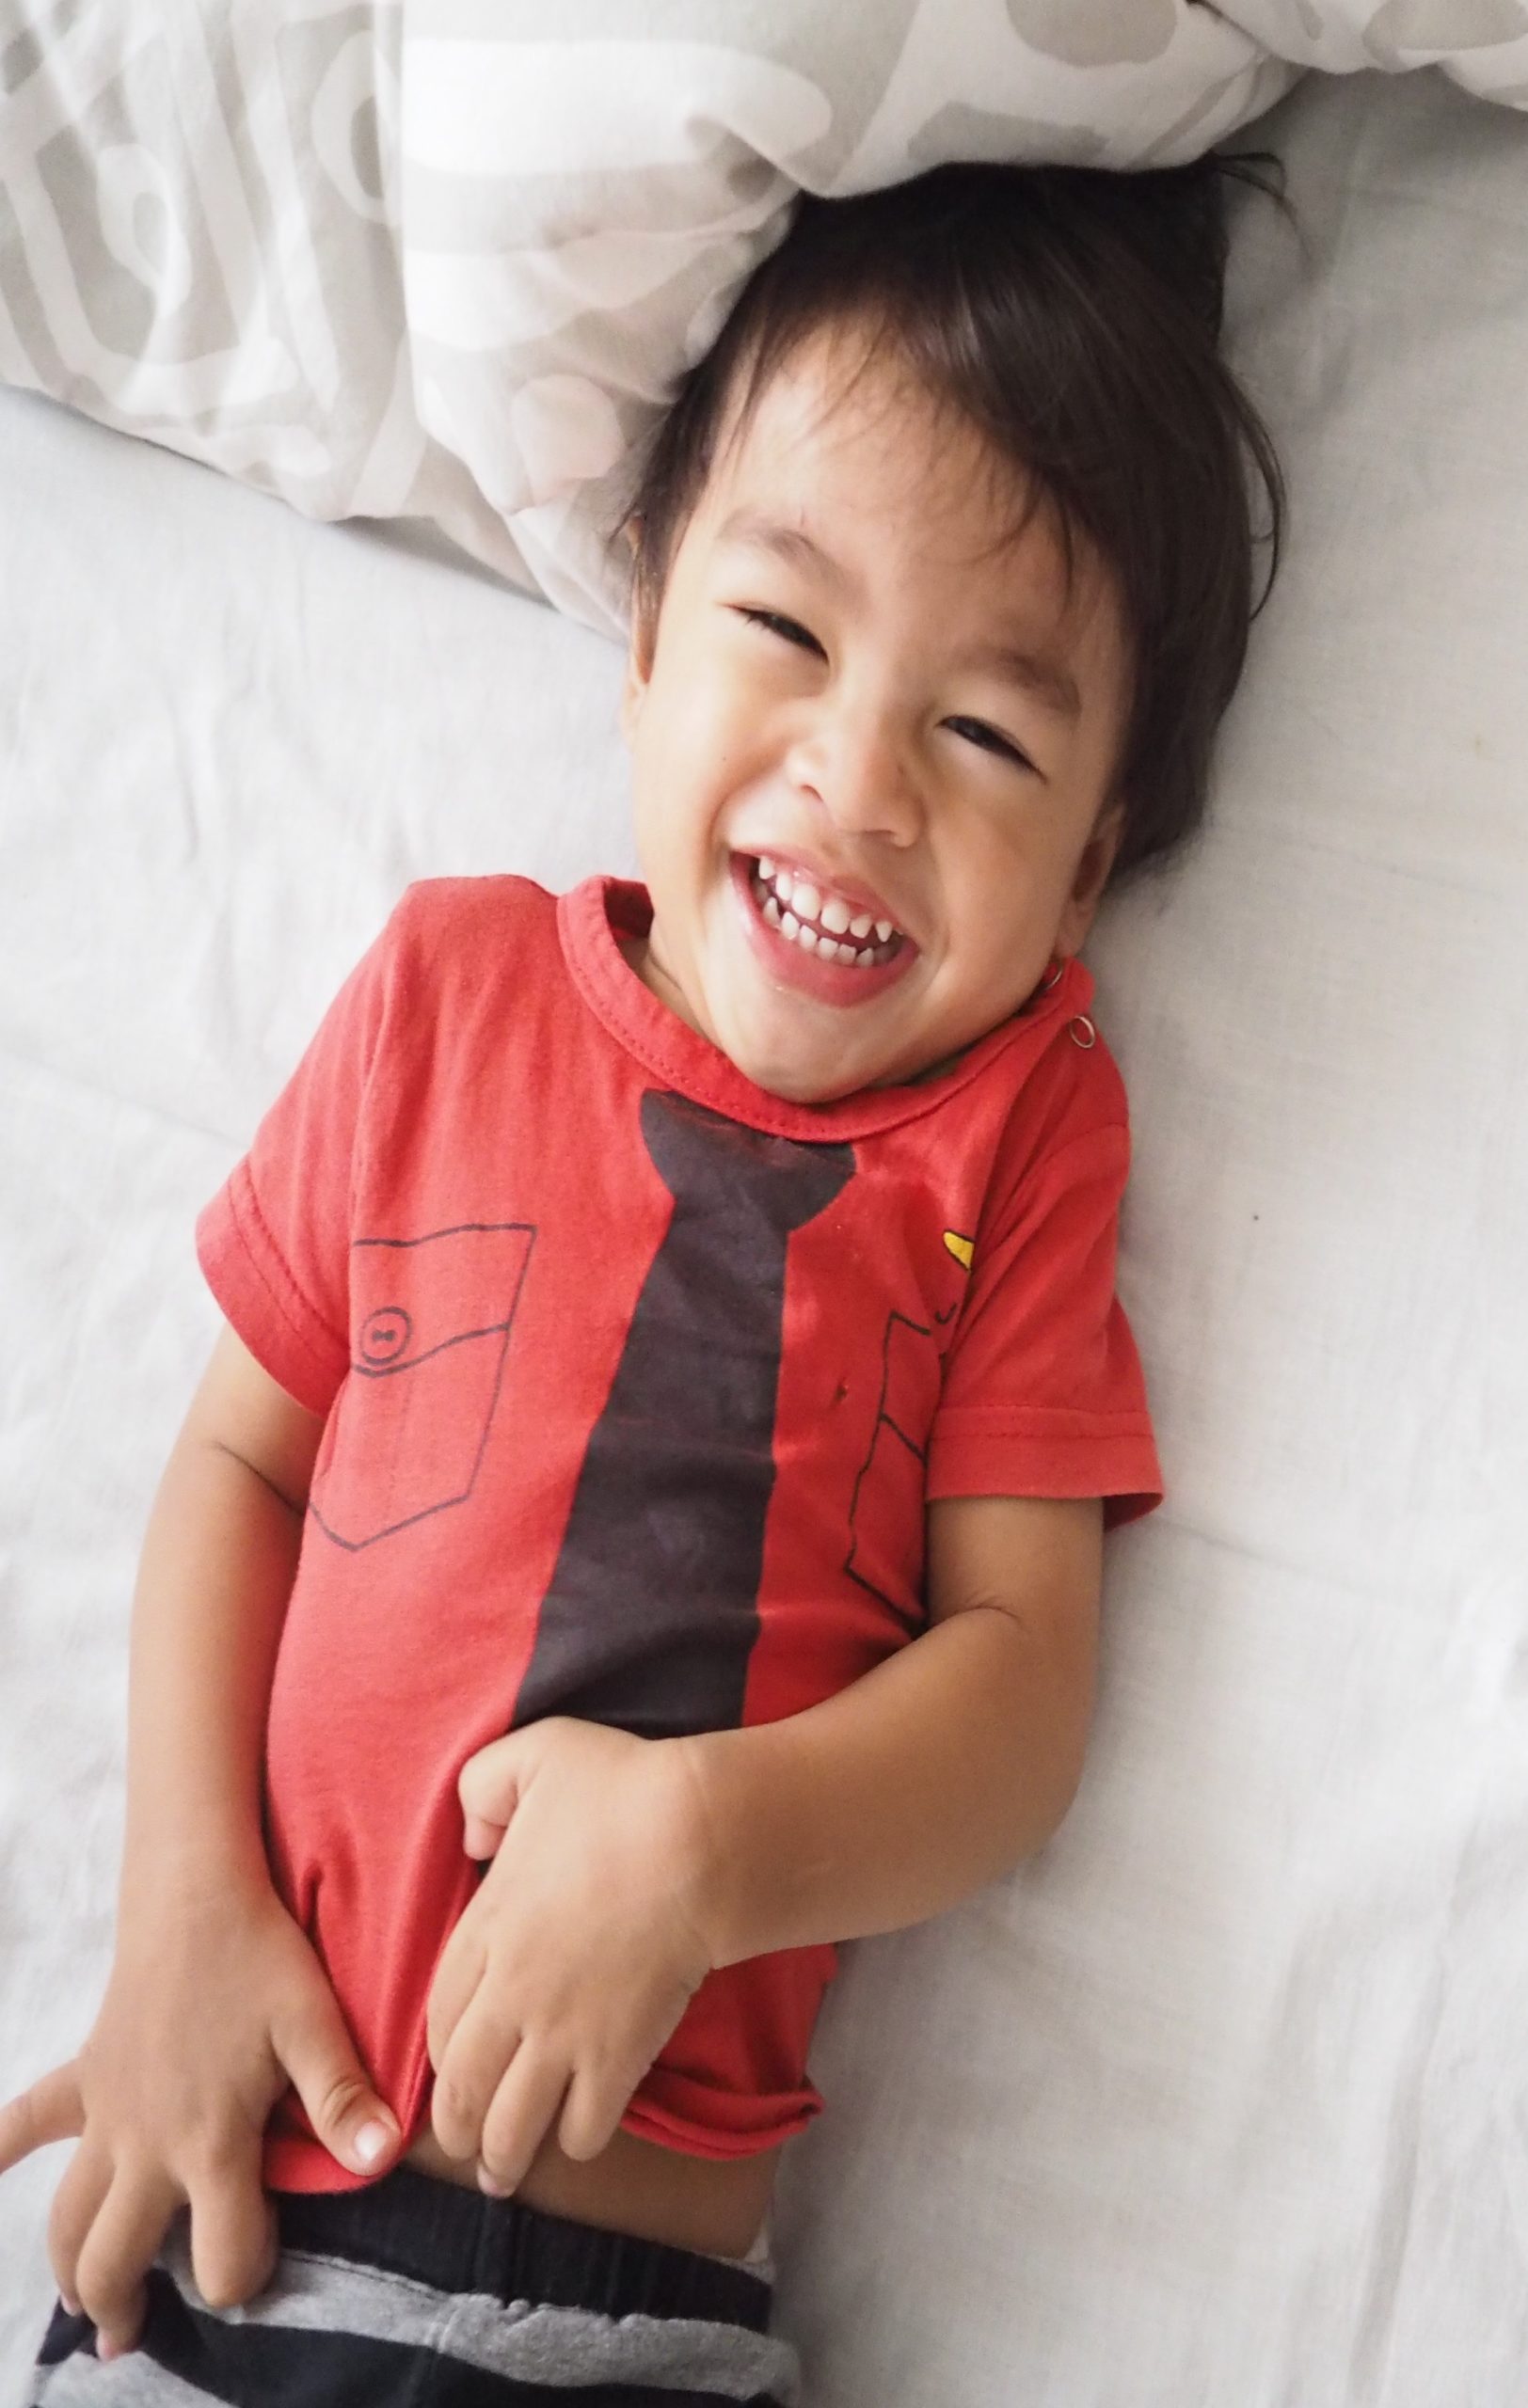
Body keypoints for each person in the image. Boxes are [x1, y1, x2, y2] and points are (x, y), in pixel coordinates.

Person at [0, 153, 1283, 2405]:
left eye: (985, 735)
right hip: (229, 2237)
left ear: (1089, 865)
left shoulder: (1019, 1134)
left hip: (629, 2328)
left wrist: (704, 1848)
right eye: (782, 634)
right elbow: (237, 1458)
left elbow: (1018, 1693)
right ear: (645, 633)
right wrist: (178, 1900)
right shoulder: (446, 988)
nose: (858, 777)